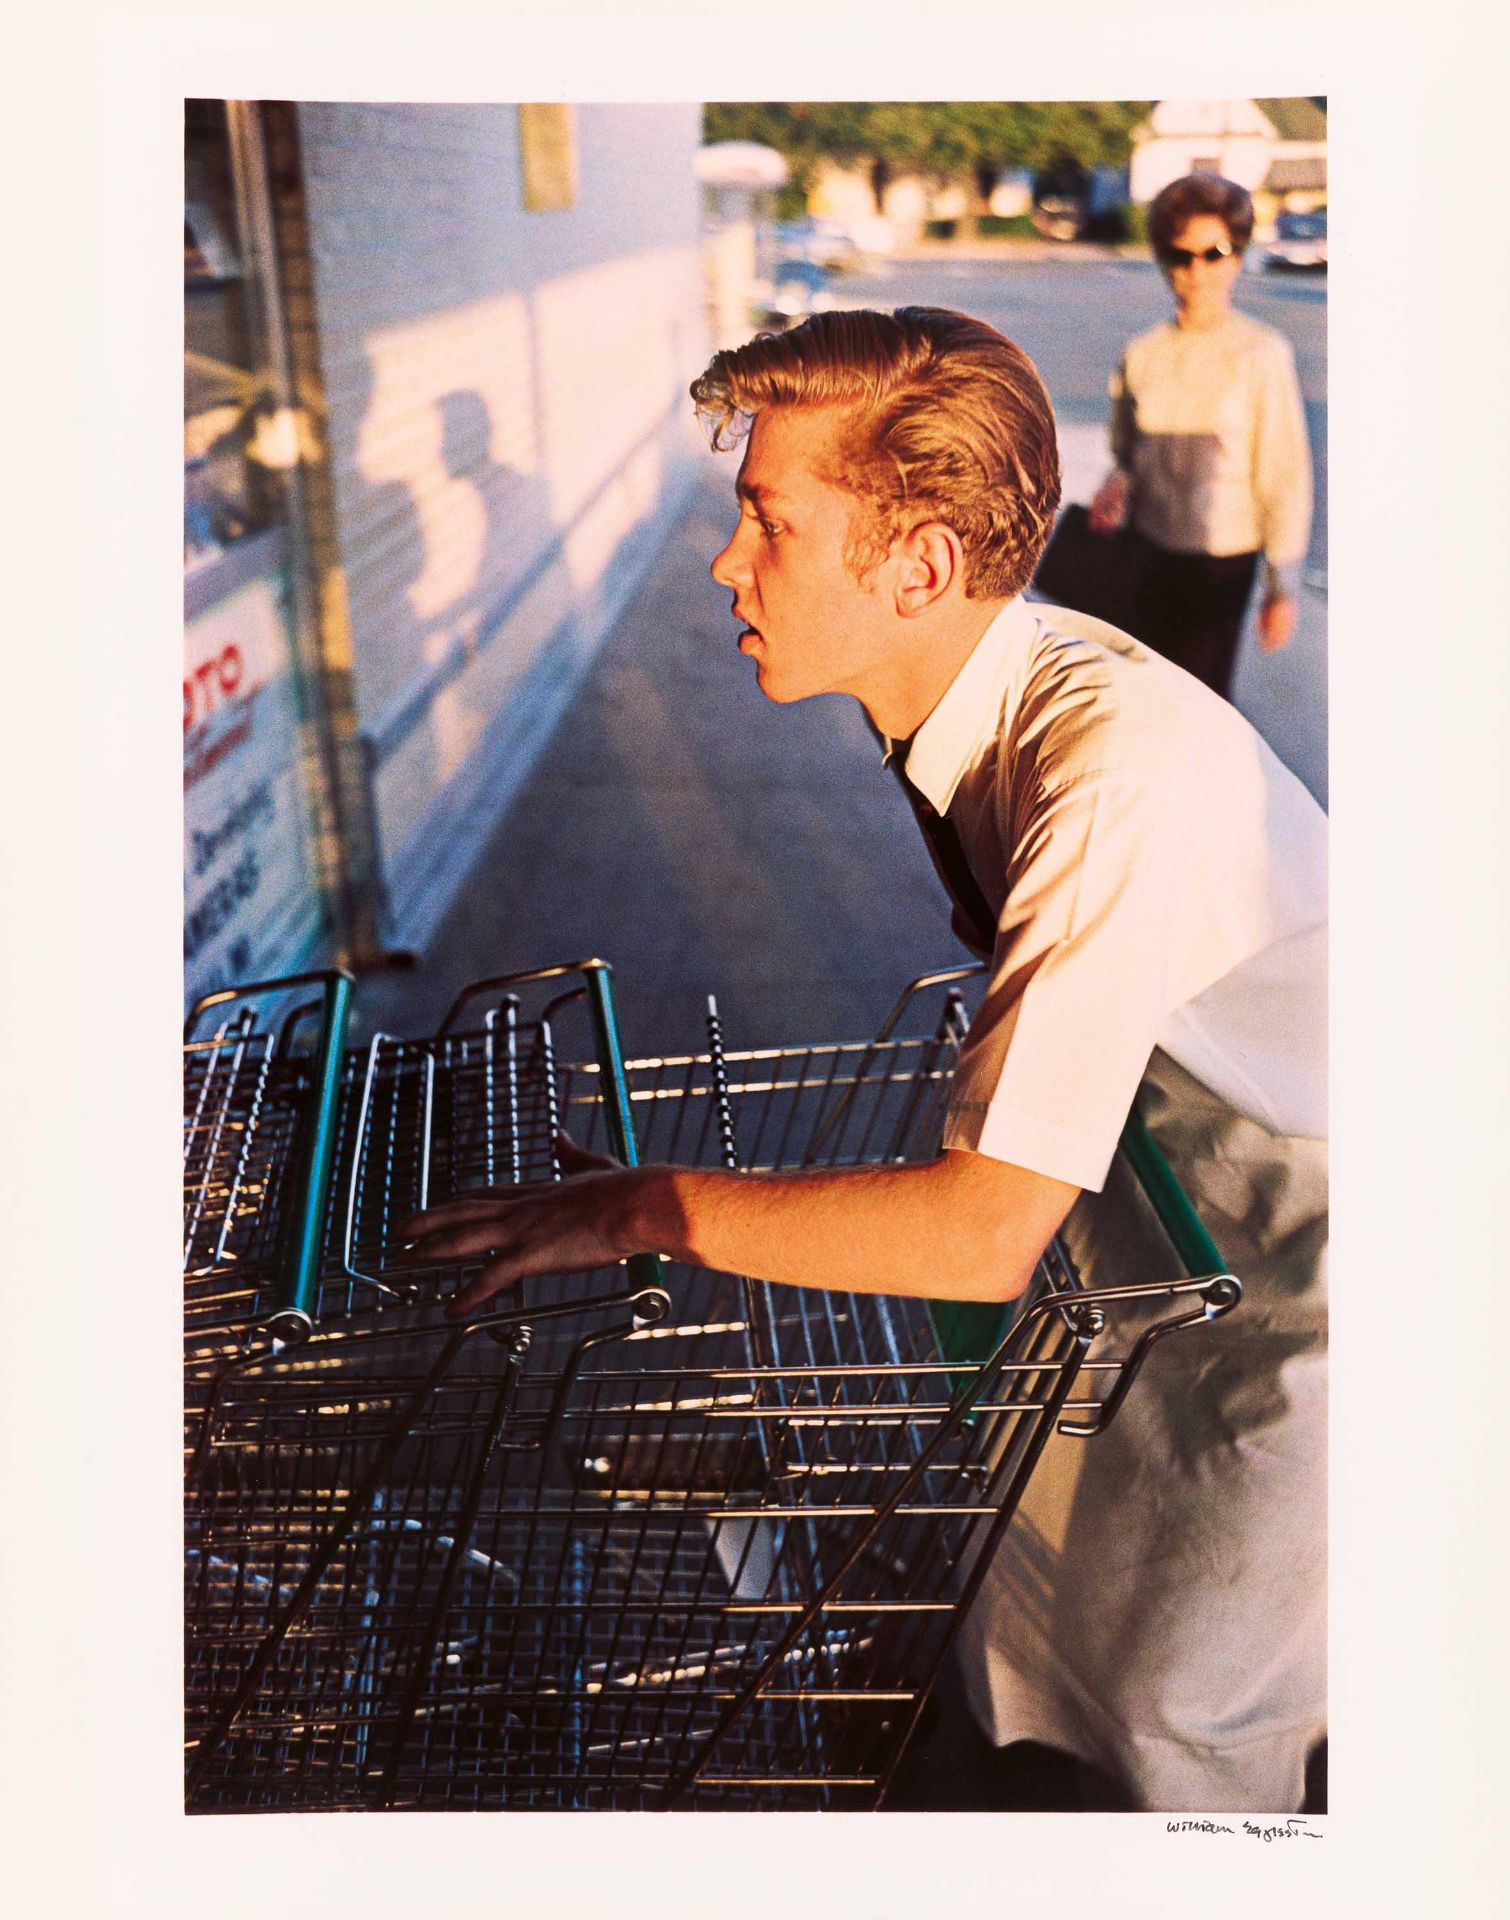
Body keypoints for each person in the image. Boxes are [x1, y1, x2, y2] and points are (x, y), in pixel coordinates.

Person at [403, 306, 1327, 1814]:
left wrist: (650, 1207)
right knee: (1044, 1613)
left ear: (915, 565)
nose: (726, 560)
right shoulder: (967, 697)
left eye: (768, 521)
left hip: (1316, 1247)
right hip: (1181, 1180)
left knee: (1186, 1711)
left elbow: (976, 1234)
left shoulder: (1110, 780)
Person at [1087, 173, 1313, 700]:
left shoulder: (1262, 353)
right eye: (1179, 256)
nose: (1196, 271)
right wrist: (1116, 482)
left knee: (1200, 705)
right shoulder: (1142, 352)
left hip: (1221, 563)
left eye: (1212, 254)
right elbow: (1126, 451)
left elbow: (1283, 473)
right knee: (1143, 698)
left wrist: (1283, 586)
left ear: (1236, 257)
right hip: (1147, 552)